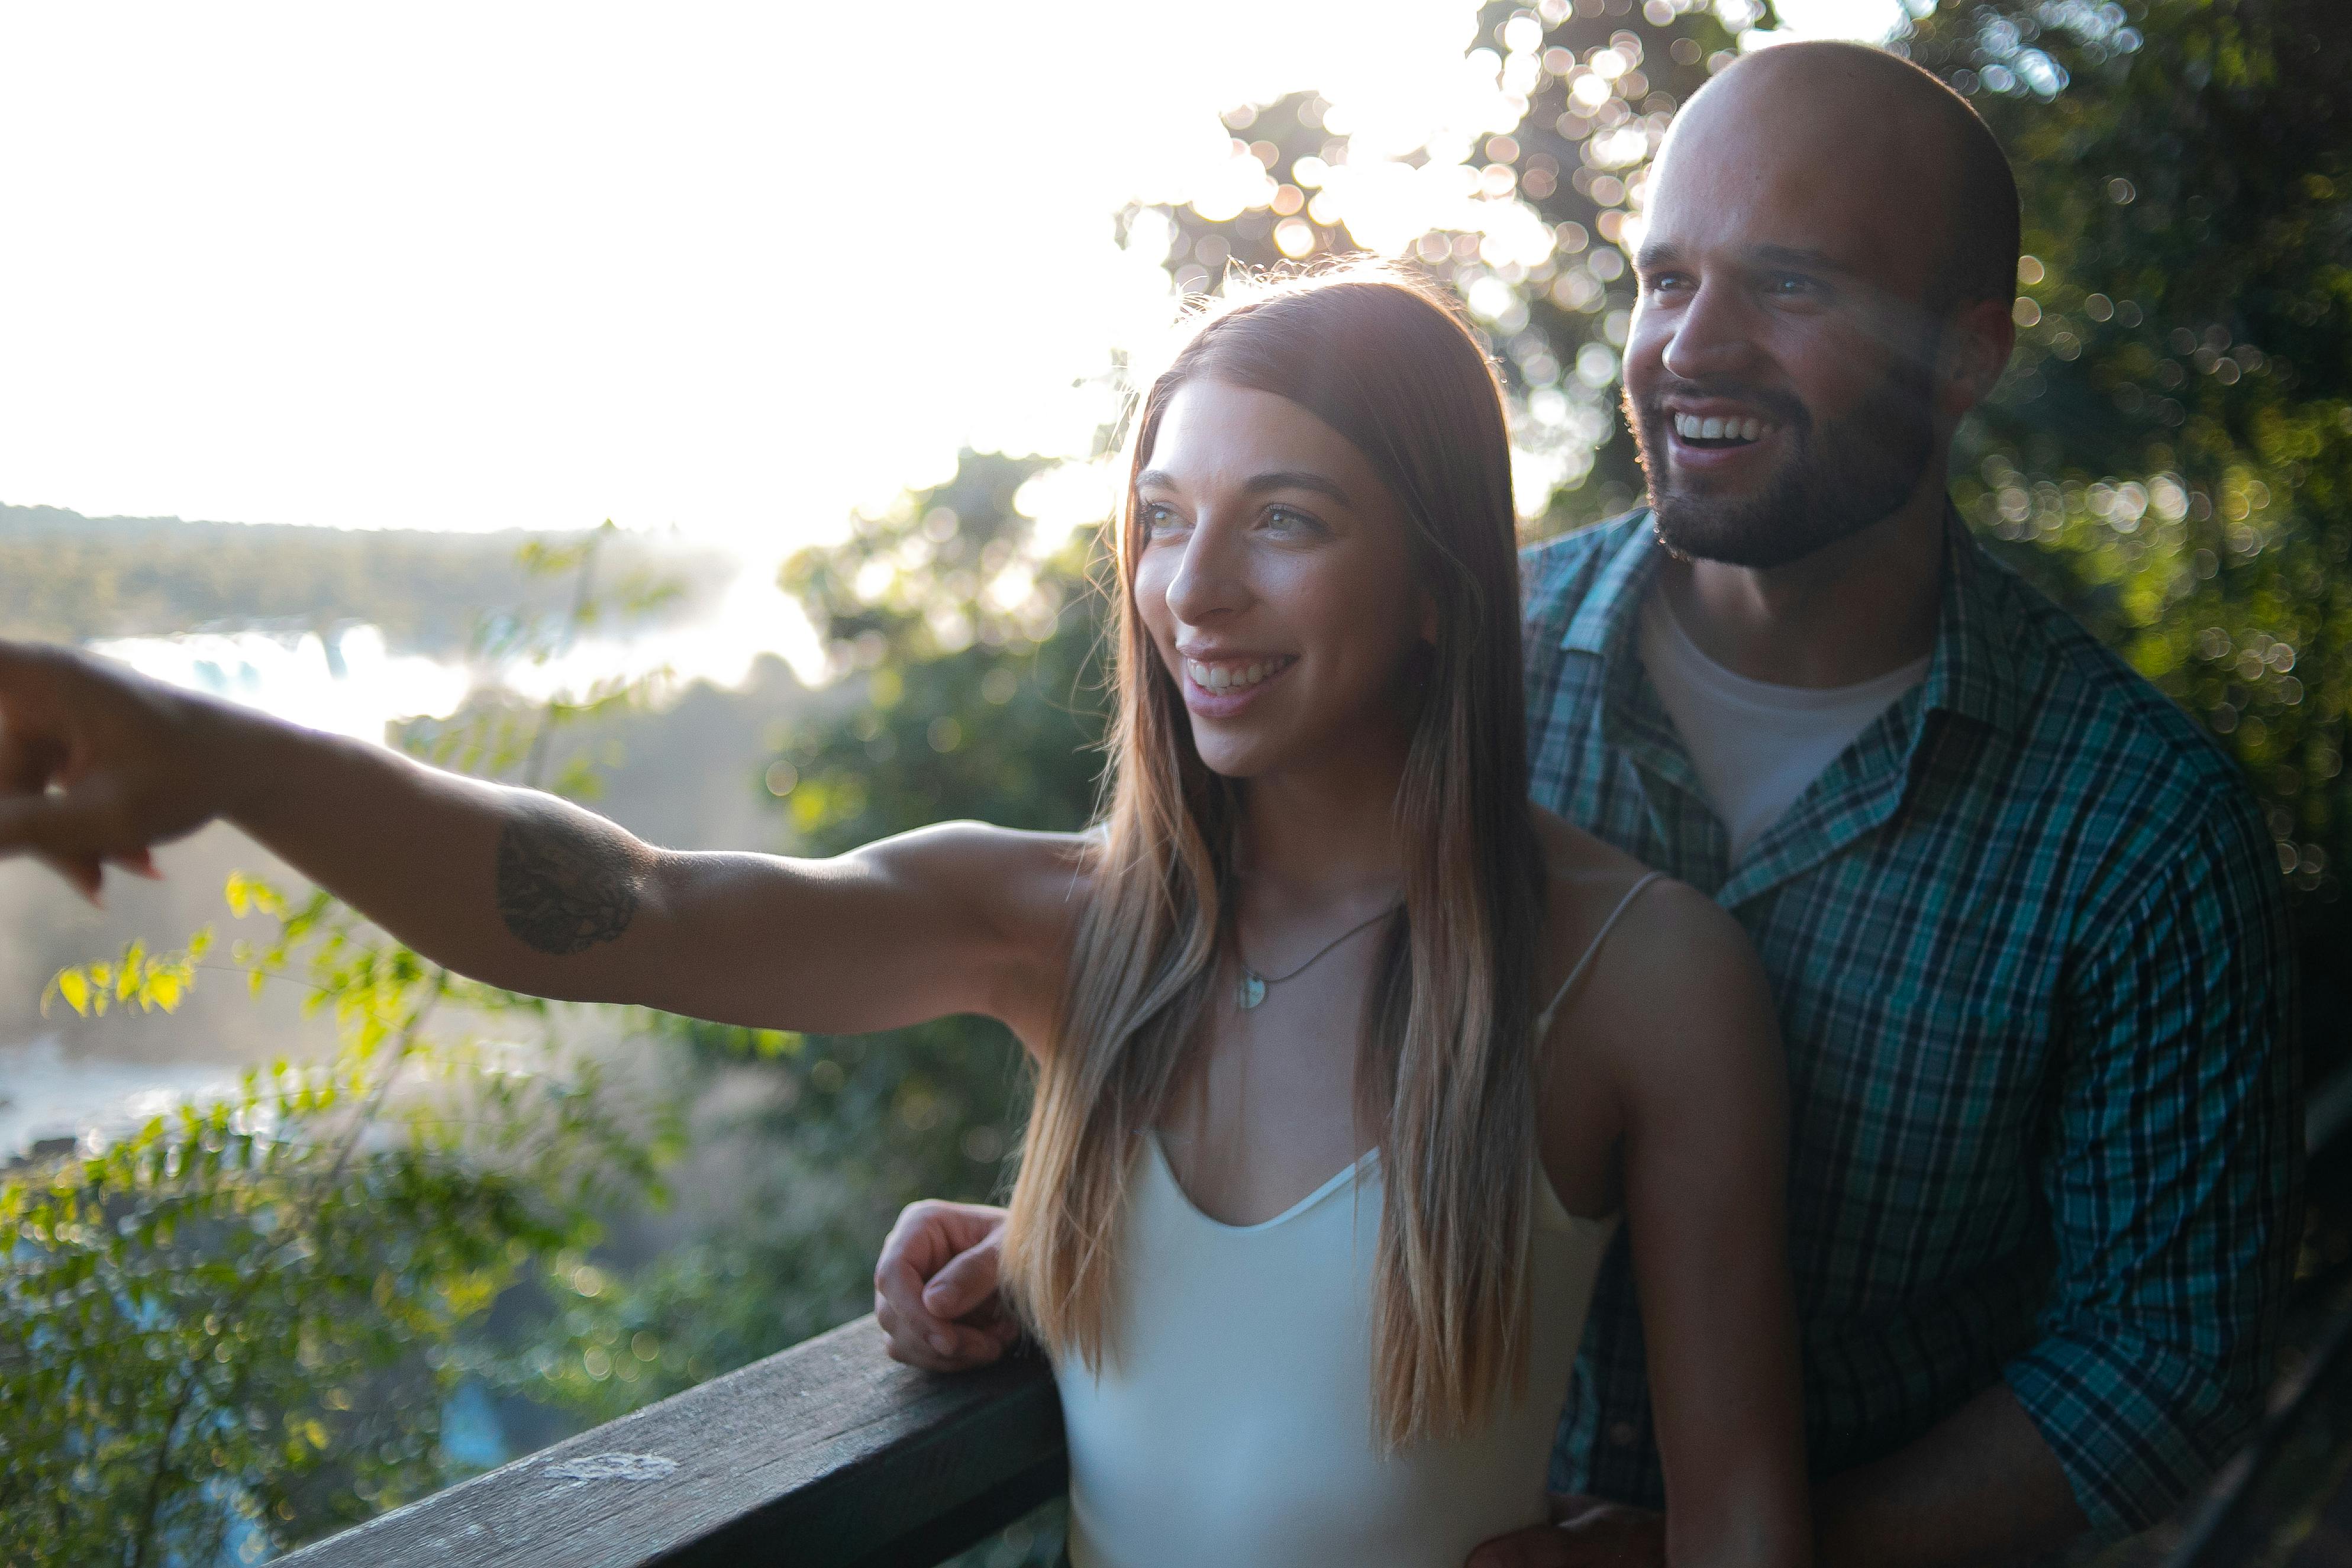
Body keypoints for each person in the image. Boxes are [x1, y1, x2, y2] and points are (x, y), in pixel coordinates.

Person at [0, 269, 1812, 1567]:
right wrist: (224, 753)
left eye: (1287, 518)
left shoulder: (1641, 976)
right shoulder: (1070, 925)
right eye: (1163, 515)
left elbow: (1746, 1516)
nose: (1192, 586)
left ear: (1436, 576)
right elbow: (620, 910)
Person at [871, 41, 2301, 1567]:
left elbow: (2164, 1364)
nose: (1695, 345)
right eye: (1665, 278)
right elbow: (1225, 989)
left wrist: (1739, 1552)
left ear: (1967, 356)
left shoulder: (2142, 830)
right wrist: (1110, 1240)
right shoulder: (1430, 666)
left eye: (1792, 286)